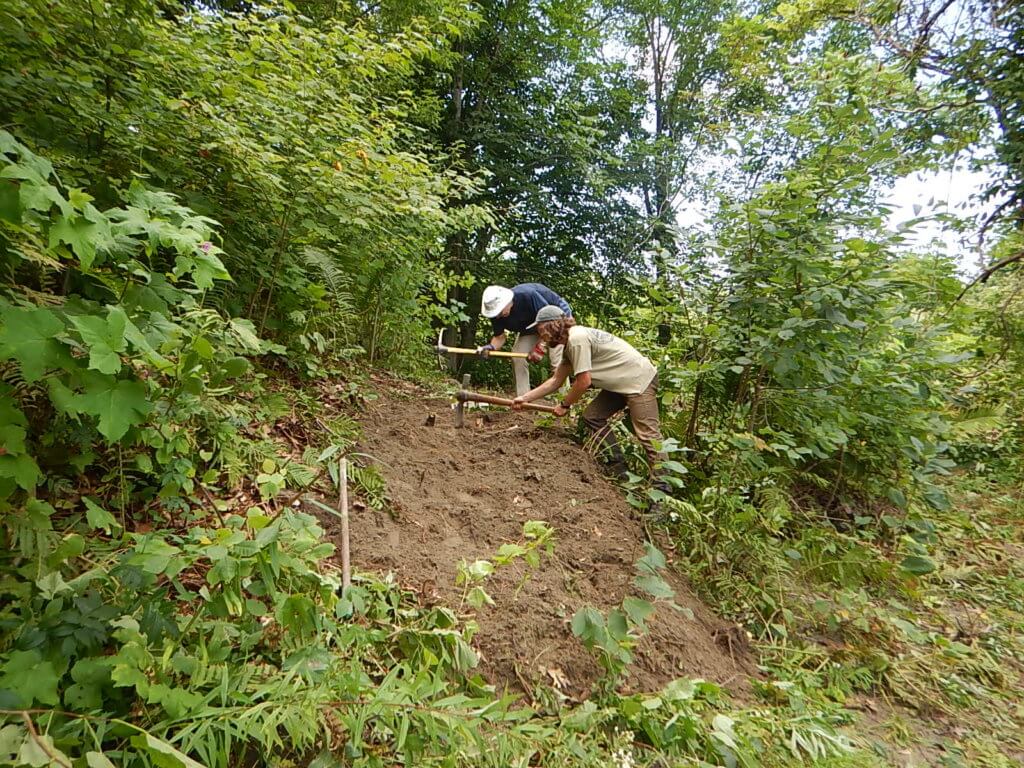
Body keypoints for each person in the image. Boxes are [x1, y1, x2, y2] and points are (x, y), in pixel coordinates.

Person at [512, 305, 669, 501]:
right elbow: (555, 381)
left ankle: (663, 492)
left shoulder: (577, 339)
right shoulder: (570, 345)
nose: (539, 334)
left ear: (553, 325)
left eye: (541, 329)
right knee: (592, 417)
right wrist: (524, 398)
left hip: (639, 381)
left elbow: (583, 382)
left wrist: (565, 405)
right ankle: (619, 468)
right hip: (619, 384)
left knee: (648, 435)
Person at [478, 283, 573, 397]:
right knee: (517, 356)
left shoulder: (527, 296)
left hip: (556, 321)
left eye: (500, 311)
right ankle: (523, 400)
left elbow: (549, 326)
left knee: (556, 361)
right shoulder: (497, 316)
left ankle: (565, 401)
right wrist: (490, 347)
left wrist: (539, 347)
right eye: (496, 314)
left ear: (507, 301)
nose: (500, 316)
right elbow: (499, 337)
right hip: (532, 327)